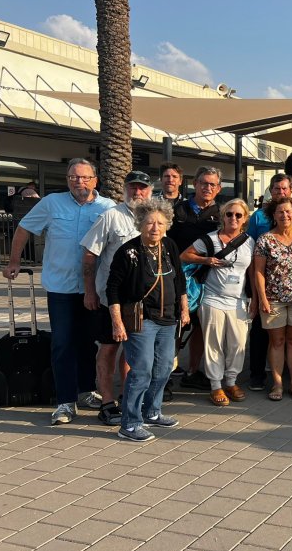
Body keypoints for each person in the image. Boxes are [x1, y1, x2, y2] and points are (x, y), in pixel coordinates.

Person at [3, 158, 115, 425]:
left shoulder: (108, 207)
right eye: (74, 177)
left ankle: (86, 390)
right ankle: (65, 401)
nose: (79, 182)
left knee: (89, 342)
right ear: (67, 180)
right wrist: (14, 261)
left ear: (95, 180)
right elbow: (23, 228)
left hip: (95, 288)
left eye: (85, 177)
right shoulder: (52, 203)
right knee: (63, 343)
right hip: (61, 287)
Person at [107, 199, 188, 442]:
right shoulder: (128, 251)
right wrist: (117, 322)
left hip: (169, 317)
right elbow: (112, 288)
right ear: (140, 224)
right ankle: (130, 423)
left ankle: (152, 411)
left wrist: (184, 309)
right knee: (141, 370)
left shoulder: (169, 245)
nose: (155, 227)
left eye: (160, 223)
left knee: (164, 368)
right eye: (150, 222)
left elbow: (179, 280)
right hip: (141, 319)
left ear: (167, 225)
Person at [81, 171, 153, 426]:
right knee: (109, 349)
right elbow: (90, 254)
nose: (137, 192)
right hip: (109, 299)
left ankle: (128, 398)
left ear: (150, 191)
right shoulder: (111, 216)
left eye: (142, 188)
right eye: (132, 187)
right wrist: (90, 291)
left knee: (134, 351)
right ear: (124, 190)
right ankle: (107, 402)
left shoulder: (153, 219)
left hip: (142, 301)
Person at [181, 199, 254, 407]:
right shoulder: (210, 239)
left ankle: (231, 381)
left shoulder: (249, 241)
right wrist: (206, 260)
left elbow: (252, 272)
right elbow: (184, 255)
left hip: (239, 300)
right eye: (229, 214)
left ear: (245, 218)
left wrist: (255, 300)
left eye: (238, 215)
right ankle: (216, 385)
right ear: (223, 216)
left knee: (238, 343)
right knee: (213, 343)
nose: (233, 218)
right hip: (213, 298)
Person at [253, 197, 292, 401]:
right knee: (277, 341)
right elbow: (258, 272)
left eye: (288, 211)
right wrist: (262, 297)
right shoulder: (264, 239)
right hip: (273, 298)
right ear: (273, 215)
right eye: (280, 212)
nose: (284, 215)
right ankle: (278, 384)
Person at [168, 165, 223, 389]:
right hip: (177, 277)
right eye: (203, 183)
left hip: (208, 279)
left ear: (218, 188)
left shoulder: (222, 213)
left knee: (201, 326)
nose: (207, 188)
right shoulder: (176, 211)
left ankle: (193, 371)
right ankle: (168, 373)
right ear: (194, 184)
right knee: (175, 326)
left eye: (212, 184)